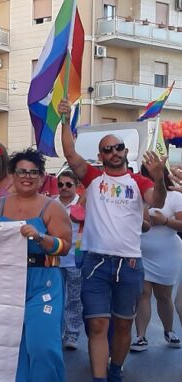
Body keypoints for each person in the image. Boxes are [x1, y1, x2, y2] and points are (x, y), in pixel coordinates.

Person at [59, 99, 167, 382]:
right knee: (96, 324)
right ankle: (99, 379)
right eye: (108, 149)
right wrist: (64, 119)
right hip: (95, 262)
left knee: (122, 326)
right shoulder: (93, 178)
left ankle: (116, 370)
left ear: (126, 151)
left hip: (130, 265)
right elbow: (70, 154)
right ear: (101, 155)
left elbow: (156, 201)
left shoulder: (138, 182)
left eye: (118, 147)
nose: (114, 152)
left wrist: (160, 179)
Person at [0, 149, 72, 382]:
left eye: (33, 172)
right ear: (12, 175)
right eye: (21, 171)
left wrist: (40, 237)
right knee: (12, 348)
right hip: (7, 282)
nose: (27, 177)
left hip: (43, 282)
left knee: (43, 347)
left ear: (41, 177)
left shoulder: (52, 207)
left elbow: (65, 246)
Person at [131, 166, 182, 351]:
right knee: (142, 295)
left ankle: (169, 330)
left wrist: (165, 221)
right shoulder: (136, 198)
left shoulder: (175, 197)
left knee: (163, 296)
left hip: (168, 254)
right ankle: (140, 336)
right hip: (141, 252)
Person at [56, 171, 84, 350]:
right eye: (61, 184)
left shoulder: (83, 204)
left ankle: (72, 334)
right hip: (55, 260)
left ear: (75, 186)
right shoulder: (52, 203)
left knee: (74, 299)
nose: (64, 188)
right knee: (56, 299)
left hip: (76, 258)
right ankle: (56, 332)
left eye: (68, 184)